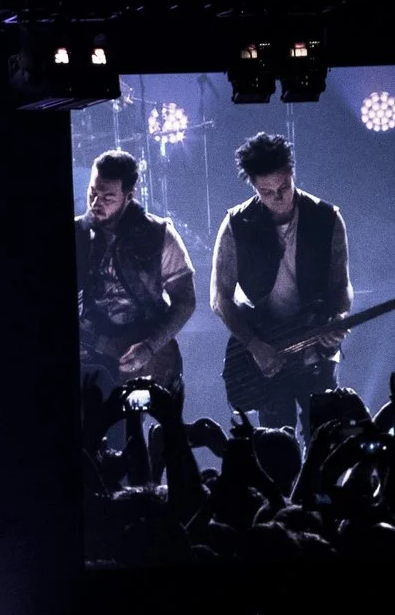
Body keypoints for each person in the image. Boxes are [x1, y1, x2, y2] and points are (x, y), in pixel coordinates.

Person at [210, 133, 353, 430]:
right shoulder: (236, 224)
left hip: (316, 347)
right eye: (267, 191)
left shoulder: (327, 218)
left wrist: (339, 317)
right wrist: (254, 345)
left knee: (326, 435)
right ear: (253, 186)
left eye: (284, 186)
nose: (278, 197)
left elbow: (341, 284)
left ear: (292, 173)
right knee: (276, 442)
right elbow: (219, 298)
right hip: (269, 350)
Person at [76, 150, 194, 395]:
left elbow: (185, 302)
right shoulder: (77, 235)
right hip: (91, 353)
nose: (95, 204)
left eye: (107, 197)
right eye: (92, 193)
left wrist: (150, 347)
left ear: (129, 195)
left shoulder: (160, 235)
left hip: (147, 354)